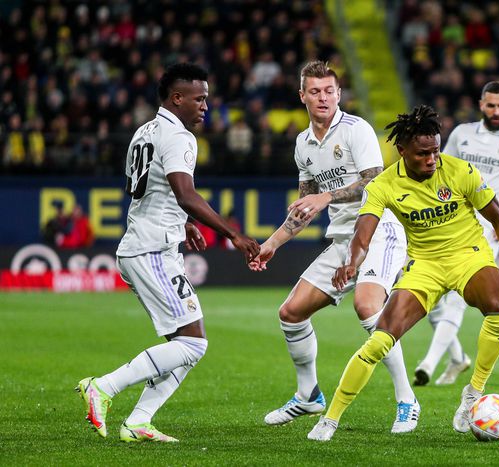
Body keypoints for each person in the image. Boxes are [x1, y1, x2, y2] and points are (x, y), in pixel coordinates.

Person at [307, 105, 499, 441]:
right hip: (424, 265)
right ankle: (330, 419)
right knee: (379, 341)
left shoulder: (460, 171)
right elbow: (362, 233)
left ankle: (473, 394)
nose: (432, 160)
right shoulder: (383, 185)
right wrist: (351, 263)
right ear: (402, 151)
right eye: (422, 154)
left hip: (468, 255)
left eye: (435, 151)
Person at [75, 63, 259, 443]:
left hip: (147, 244)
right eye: (199, 99)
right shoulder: (179, 137)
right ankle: (104, 386)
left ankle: (139, 421)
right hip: (152, 250)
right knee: (193, 343)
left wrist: (184, 222)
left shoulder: (145, 131)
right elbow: (185, 193)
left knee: (186, 345)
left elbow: (145, 190)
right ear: (177, 98)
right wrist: (233, 235)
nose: (205, 106)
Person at [248, 61, 419, 433]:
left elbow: (374, 182)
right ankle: (308, 395)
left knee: (367, 306)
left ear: (339, 94)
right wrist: (271, 244)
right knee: (291, 312)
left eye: (329, 91)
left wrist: (326, 197)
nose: (323, 97)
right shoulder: (303, 144)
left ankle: (407, 400)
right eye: (315, 91)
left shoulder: (356, 129)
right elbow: (305, 205)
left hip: (381, 230)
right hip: (343, 238)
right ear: (302, 96)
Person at [413, 81, 499, 387]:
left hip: (487, 230)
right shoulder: (462, 134)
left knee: (455, 302)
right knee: (429, 295)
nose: (496, 111)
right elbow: (439, 172)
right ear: (481, 104)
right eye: (490, 105)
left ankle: (428, 364)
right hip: (449, 222)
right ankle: (458, 358)